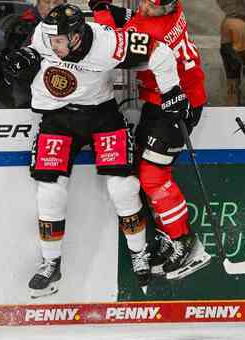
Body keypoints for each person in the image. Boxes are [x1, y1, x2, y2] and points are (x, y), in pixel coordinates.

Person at [1, 4, 188, 297]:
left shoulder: (108, 43)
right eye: (51, 41)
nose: (54, 46)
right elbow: (38, 49)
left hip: (102, 115)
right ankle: (51, 262)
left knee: (123, 188)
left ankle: (138, 253)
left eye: (60, 41)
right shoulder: (44, 34)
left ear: (76, 36)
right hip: (58, 117)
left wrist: (172, 91)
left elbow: (161, 52)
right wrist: (27, 57)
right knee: (49, 191)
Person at [90, 0, 212, 281]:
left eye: (153, 5)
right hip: (161, 101)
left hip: (177, 104)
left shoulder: (150, 29)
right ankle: (171, 236)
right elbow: (133, 19)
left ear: (167, 8)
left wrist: (102, 12)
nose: (145, 7)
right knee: (144, 173)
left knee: (153, 176)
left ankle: (185, 241)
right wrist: (117, 11)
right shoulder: (173, 10)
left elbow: (111, 47)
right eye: (144, 0)